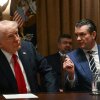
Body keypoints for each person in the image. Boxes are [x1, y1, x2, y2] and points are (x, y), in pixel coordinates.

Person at [0, 20, 58, 94]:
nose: (17, 39)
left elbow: (47, 70)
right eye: (10, 36)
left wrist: (52, 94)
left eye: (16, 33)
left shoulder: (28, 48)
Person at [63, 19, 100, 92]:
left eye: (82, 34)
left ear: (93, 35)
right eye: (76, 35)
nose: (78, 39)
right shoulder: (71, 57)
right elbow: (69, 89)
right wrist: (71, 74)